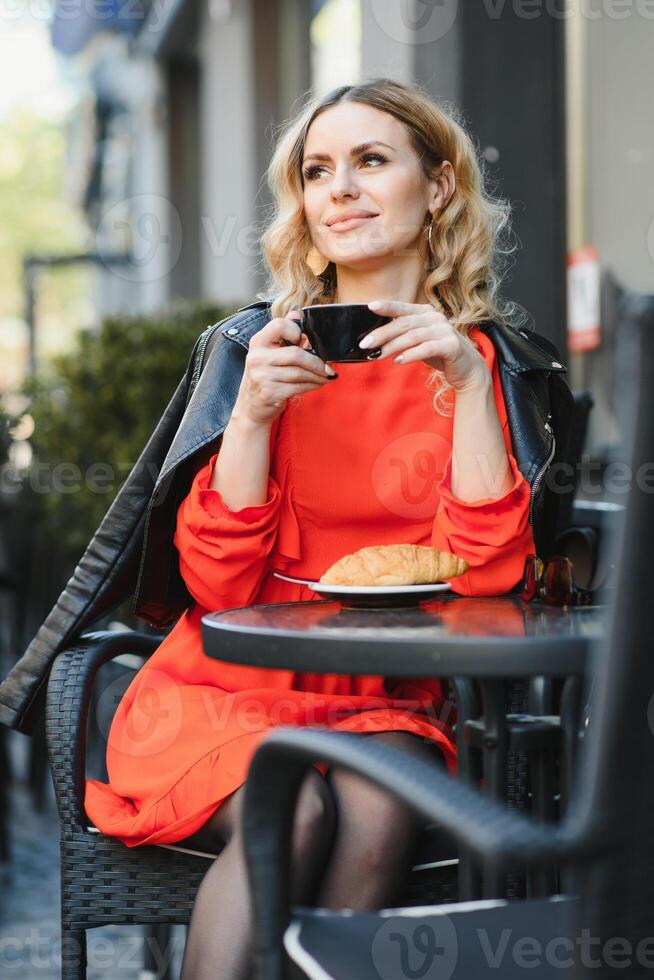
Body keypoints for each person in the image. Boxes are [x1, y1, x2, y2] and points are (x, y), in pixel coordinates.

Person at [84, 78, 538, 979]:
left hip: (392, 694)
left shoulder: (484, 361)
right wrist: (250, 416)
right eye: (317, 171)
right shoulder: (259, 351)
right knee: (288, 810)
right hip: (225, 688)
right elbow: (216, 586)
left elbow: (487, 577)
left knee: (374, 803)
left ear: (438, 187)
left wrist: (470, 388)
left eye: (372, 161)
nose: (340, 189)